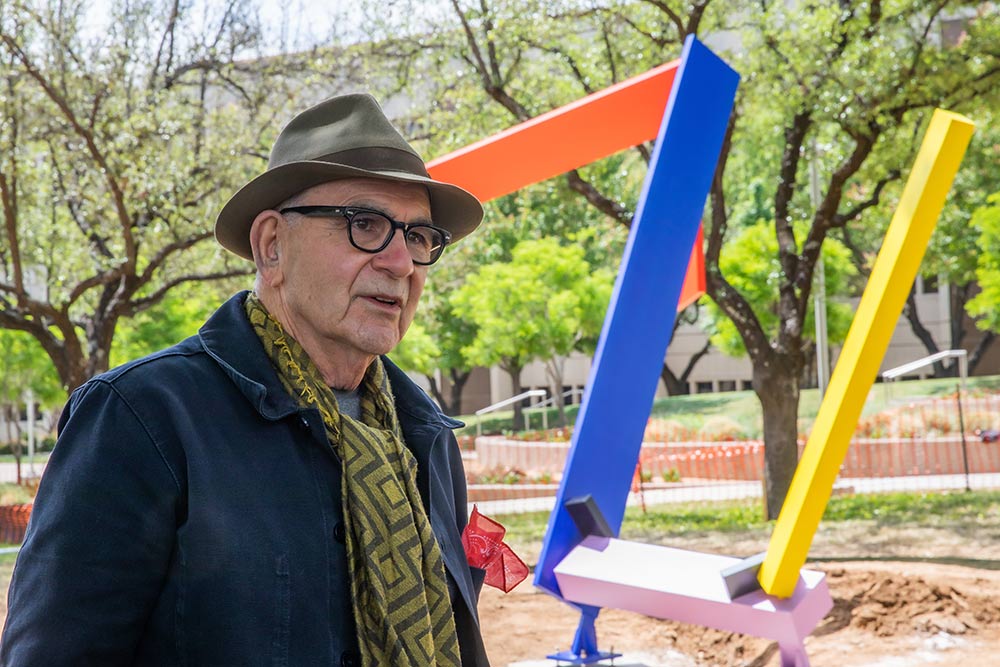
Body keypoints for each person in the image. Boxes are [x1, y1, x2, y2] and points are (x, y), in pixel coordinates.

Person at [1, 93, 491, 667]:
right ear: (271, 245)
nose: (402, 263)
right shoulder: (142, 419)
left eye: (417, 236)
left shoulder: (425, 437)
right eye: (366, 224)